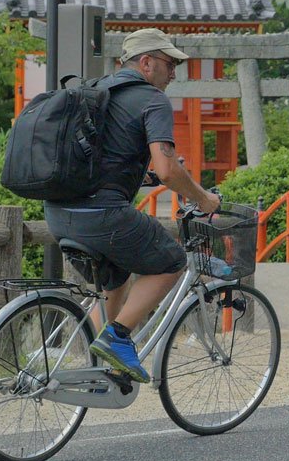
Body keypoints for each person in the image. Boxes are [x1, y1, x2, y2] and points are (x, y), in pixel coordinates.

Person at [44, 28, 221, 383]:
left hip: (58, 214)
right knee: (172, 261)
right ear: (146, 62)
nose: (174, 73)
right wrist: (204, 199)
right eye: (170, 64)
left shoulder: (94, 92)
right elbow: (169, 169)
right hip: (102, 217)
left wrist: (146, 178)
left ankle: (98, 367)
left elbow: (102, 162)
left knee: (117, 278)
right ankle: (116, 337)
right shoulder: (151, 100)